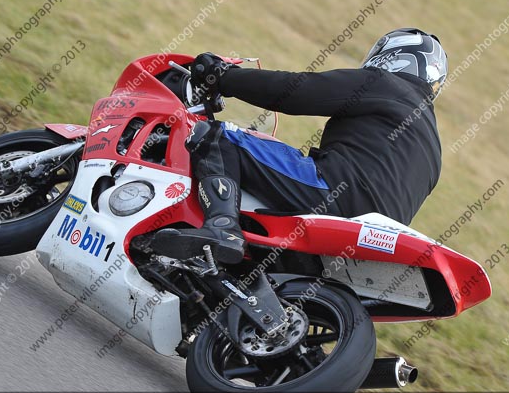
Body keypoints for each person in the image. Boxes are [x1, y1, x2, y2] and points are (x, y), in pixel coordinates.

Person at [152, 28, 446, 264]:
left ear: (394, 56)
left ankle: (222, 228)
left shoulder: (386, 85)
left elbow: (297, 91)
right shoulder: (434, 145)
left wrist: (225, 77)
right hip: (373, 240)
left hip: (335, 192)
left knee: (221, 135)